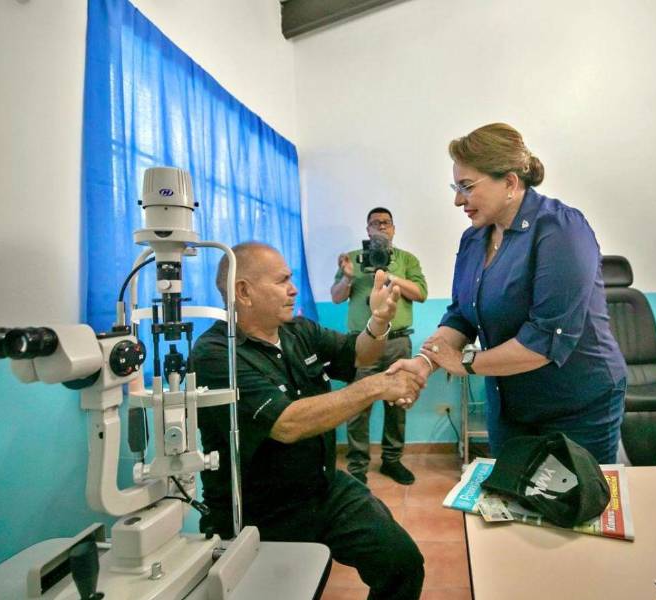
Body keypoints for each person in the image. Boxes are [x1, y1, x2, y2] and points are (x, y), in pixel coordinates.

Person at [192, 241, 425, 600]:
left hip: (322, 487)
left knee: (402, 563)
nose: (294, 288)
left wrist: (378, 321)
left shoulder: (299, 331)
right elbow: (287, 424)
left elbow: (358, 354)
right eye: (282, 280)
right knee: (295, 588)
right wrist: (378, 386)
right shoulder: (215, 355)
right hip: (261, 513)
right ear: (244, 292)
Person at [389, 123, 627, 464]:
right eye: (455, 187)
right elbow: (461, 315)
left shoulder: (560, 229)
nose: (458, 200)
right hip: (510, 406)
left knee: (575, 511)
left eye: (467, 187)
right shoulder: (474, 239)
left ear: (511, 183)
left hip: (577, 405)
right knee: (514, 504)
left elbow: (545, 339)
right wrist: (426, 361)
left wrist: (464, 363)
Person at [330, 208, 427, 485]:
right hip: (362, 343)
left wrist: (388, 276)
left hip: (398, 341)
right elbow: (336, 297)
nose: (381, 227)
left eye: (386, 223)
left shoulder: (407, 260)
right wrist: (348, 277)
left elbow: (421, 293)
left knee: (398, 404)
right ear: (367, 229)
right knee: (357, 405)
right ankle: (358, 466)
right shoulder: (351, 259)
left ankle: (392, 461)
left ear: (393, 228)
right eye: (375, 223)